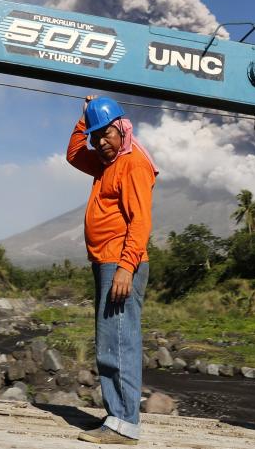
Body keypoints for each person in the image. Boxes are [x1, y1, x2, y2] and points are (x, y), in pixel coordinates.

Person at [66, 96, 157, 445]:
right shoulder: (107, 161)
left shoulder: (133, 163)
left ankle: (123, 423)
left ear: (122, 128)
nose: (100, 142)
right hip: (107, 260)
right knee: (112, 340)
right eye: (95, 136)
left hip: (120, 262)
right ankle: (119, 418)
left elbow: (140, 221)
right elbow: (74, 154)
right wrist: (83, 117)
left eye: (106, 134)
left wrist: (125, 267)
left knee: (117, 343)